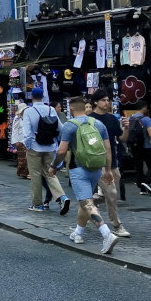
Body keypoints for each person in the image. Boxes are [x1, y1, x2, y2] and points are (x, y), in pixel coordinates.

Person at [52, 97, 119, 255]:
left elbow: (62, 151)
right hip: (96, 168)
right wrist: (108, 170)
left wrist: (53, 166)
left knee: (88, 204)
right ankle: (78, 233)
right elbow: (108, 149)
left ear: (72, 109)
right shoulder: (98, 124)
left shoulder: (69, 126)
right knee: (85, 200)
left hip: (78, 169)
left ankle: (107, 234)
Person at [86, 92, 130, 238]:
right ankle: (117, 225)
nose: (107, 103)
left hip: (113, 162)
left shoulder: (111, 119)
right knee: (111, 194)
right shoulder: (90, 120)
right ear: (95, 102)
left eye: (108, 100)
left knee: (111, 194)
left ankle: (89, 204)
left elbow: (122, 139)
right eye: (103, 100)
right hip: (97, 162)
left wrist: (126, 128)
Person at [23, 88, 71, 214]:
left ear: (32, 97)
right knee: (50, 173)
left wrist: (28, 146)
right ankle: (62, 197)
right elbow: (60, 128)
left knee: (36, 175)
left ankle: (37, 204)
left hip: (34, 146)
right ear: (43, 97)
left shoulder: (29, 111)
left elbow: (27, 133)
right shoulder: (51, 109)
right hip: (50, 146)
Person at [126, 104, 151, 195]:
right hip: (146, 146)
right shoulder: (146, 119)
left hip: (135, 146)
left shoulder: (130, 118)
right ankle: (147, 182)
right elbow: (150, 133)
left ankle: (142, 188)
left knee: (139, 167)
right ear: (144, 107)